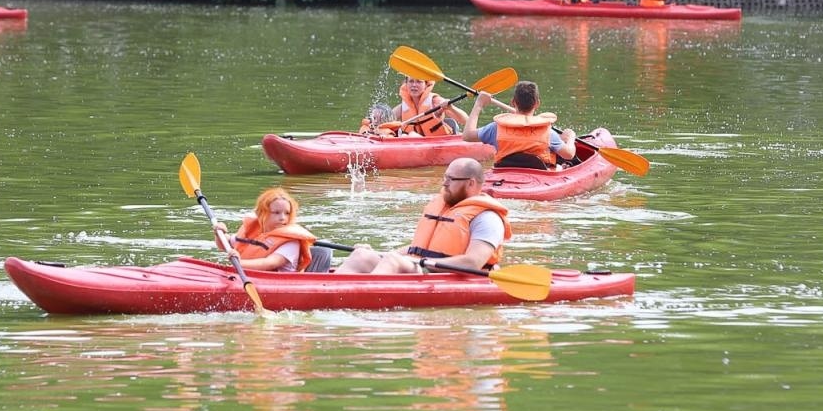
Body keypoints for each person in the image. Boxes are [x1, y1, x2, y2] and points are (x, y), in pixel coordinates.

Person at [335, 158, 511, 275]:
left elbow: (473, 262)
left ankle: (359, 298)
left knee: (393, 262)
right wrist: (381, 253)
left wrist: (421, 262)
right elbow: (417, 249)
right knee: (361, 255)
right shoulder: (444, 207)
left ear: (471, 183)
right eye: (445, 177)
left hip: (443, 275)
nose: (444, 183)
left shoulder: (487, 218)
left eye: (451, 179)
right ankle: (330, 288)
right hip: (420, 267)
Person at [462, 81, 577, 170]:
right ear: (537, 104)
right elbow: (569, 155)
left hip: (504, 175)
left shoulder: (496, 128)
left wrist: (478, 104)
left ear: (513, 102)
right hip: (540, 176)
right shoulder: (548, 132)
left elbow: (467, 136)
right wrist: (570, 137)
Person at [218, 187, 318, 273]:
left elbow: (270, 263)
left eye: (287, 213)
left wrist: (239, 263)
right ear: (262, 213)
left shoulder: (291, 242)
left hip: (277, 283)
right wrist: (219, 233)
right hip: (245, 274)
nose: (282, 218)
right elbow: (224, 245)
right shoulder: (254, 230)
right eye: (276, 212)